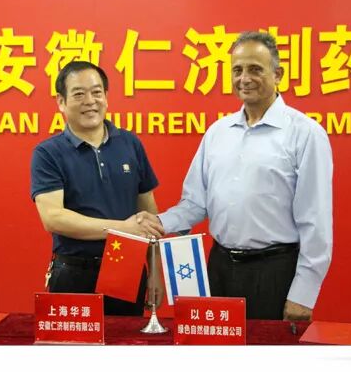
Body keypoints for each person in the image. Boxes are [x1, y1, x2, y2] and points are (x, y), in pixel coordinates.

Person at [138, 31, 333, 320]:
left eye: (255, 69)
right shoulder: (218, 133)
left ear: (278, 74)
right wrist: (158, 222)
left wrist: (303, 294)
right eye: (238, 70)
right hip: (219, 268)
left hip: (274, 272)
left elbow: (315, 221)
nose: (245, 78)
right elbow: (195, 204)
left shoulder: (305, 134)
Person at [31, 60, 164, 316]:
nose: (90, 101)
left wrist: (155, 270)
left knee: (125, 339)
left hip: (127, 267)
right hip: (73, 273)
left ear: (106, 97)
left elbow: (148, 215)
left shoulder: (130, 144)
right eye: (79, 94)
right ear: (61, 101)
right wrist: (123, 228)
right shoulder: (48, 153)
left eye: (96, 92)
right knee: (74, 340)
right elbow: (54, 218)